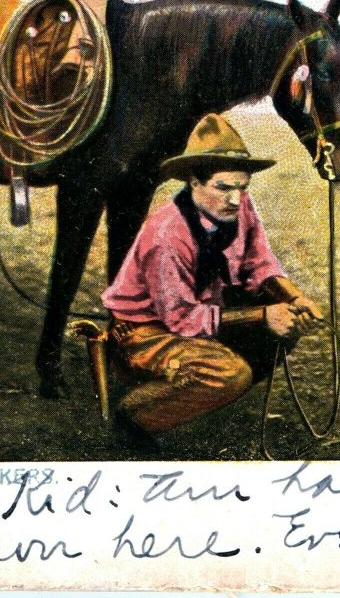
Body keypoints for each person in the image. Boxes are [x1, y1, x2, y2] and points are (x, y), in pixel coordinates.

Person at [102, 113, 323, 445]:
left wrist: (293, 298)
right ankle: (135, 415)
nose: (235, 198)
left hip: (202, 311)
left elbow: (259, 262)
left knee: (283, 327)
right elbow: (181, 319)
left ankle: (193, 390)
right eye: (223, 187)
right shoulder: (168, 235)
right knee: (231, 374)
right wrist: (263, 316)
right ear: (194, 183)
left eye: (242, 187)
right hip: (146, 330)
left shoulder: (239, 207)